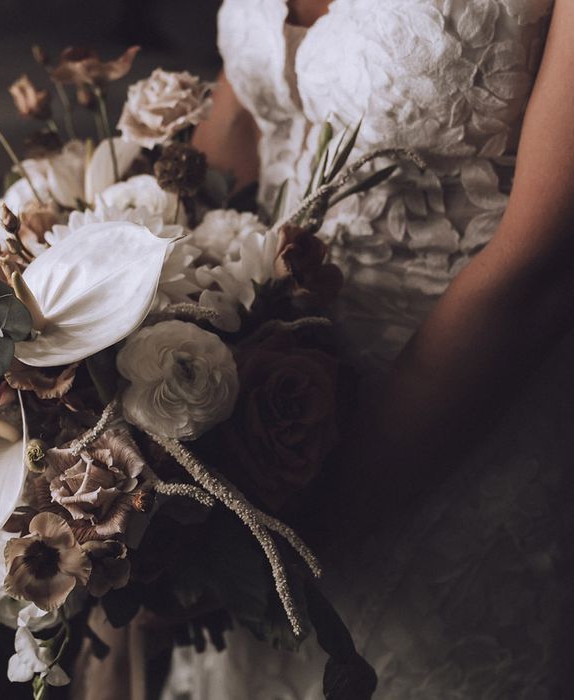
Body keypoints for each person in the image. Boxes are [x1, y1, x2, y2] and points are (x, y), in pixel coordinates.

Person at [162, 0, 574, 697]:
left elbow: (542, 271)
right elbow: (241, 115)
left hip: (455, 424)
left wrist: (312, 531)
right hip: (242, 409)